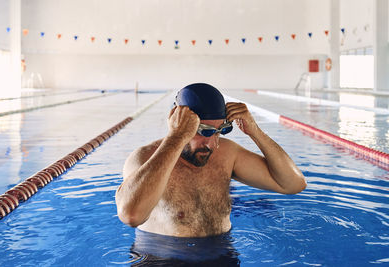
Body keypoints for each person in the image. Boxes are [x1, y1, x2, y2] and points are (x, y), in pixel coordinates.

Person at [115, 83, 306, 238]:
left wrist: (255, 131)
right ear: (177, 124)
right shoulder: (144, 158)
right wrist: (177, 137)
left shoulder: (228, 154)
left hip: (223, 256)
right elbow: (131, 216)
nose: (212, 144)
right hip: (161, 259)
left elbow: (293, 184)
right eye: (204, 131)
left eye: (220, 131)